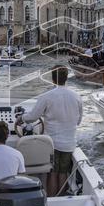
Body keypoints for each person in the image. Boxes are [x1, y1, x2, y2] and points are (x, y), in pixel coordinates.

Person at [18, 65, 82, 195]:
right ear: (66, 78)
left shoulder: (47, 96)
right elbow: (79, 120)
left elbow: (33, 116)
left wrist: (21, 118)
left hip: (51, 143)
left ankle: (52, 199)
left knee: (52, 173)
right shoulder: (76, 97)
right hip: (69, 143)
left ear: (52, 79)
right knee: (63, 172)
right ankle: (61, 199)